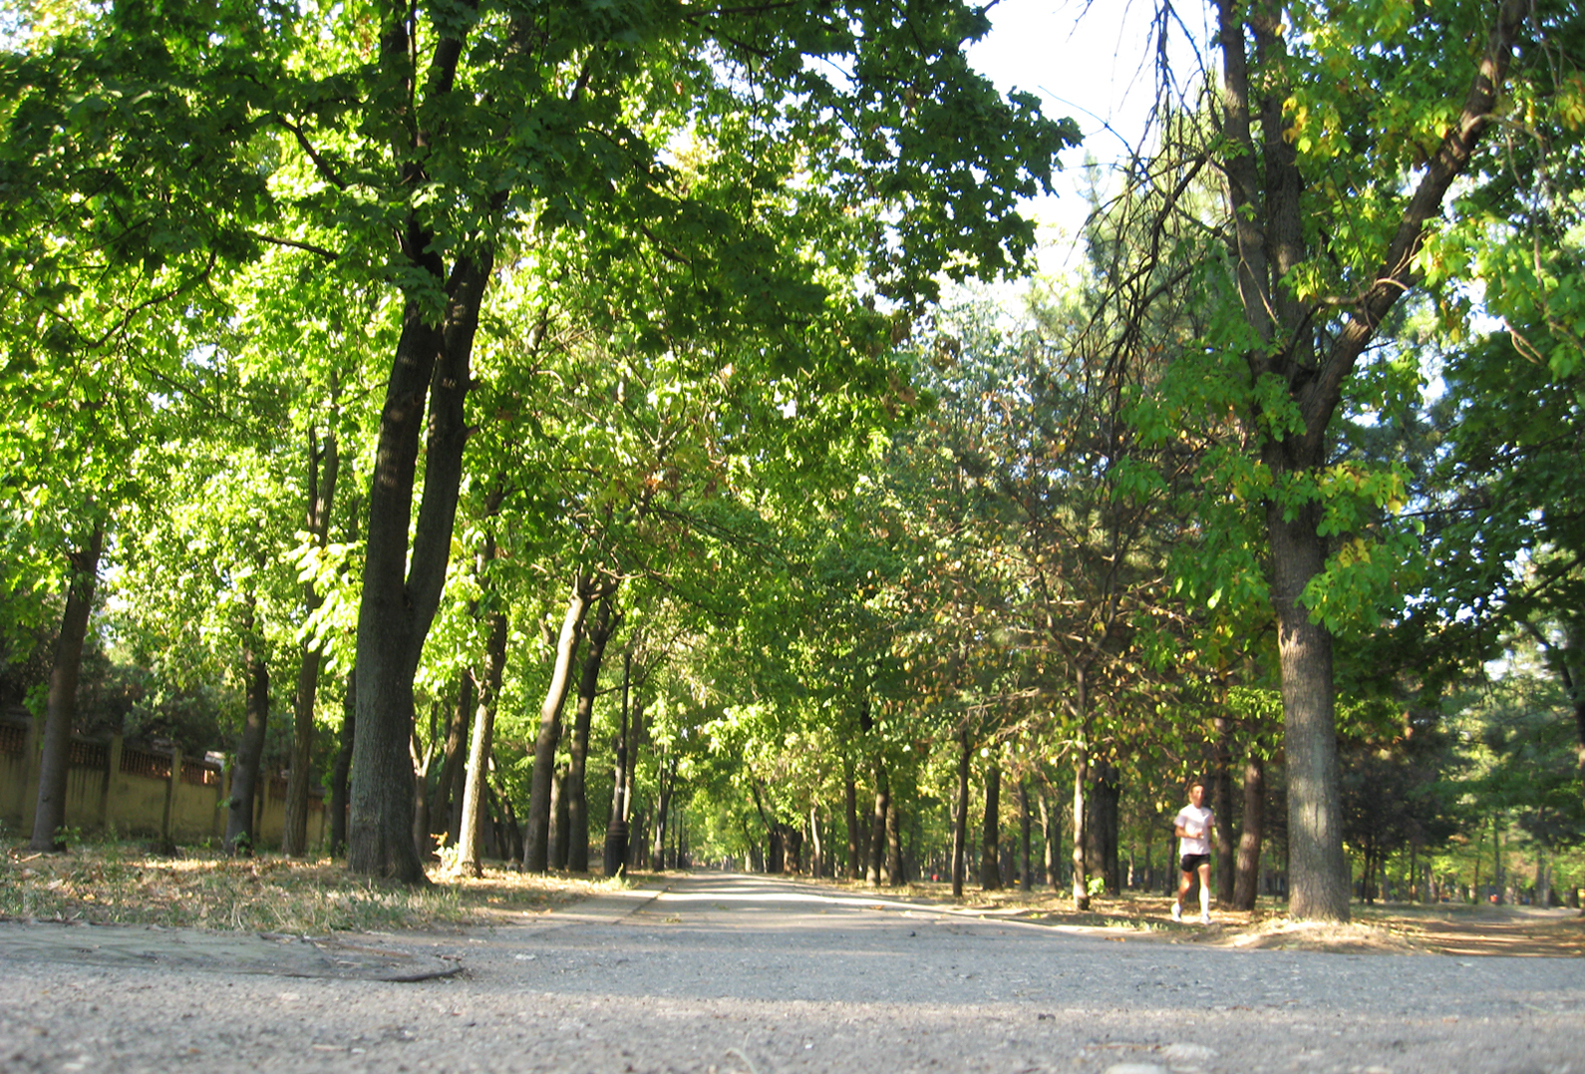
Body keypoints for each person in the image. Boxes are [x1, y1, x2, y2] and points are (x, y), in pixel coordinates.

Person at [1172, 781, 1215, 925]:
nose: (1200, 795)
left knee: (1205, 882)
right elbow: (1177, 831)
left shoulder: (1208, 813)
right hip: (1188, 851)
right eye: (1196, 792)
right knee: (1187, 883)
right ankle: (1177, 907)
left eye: (1202, 792)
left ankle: (1205, 914)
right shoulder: (1185, 812)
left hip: (1203, 852)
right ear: (1191, 795)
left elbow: (1209, 829)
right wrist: (1191, 835)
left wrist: (1211, 841)